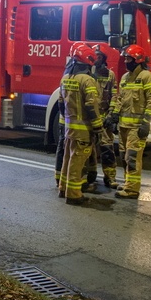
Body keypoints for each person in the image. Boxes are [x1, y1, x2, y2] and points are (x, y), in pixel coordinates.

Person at [108, 44, 151, 199]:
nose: (126, 61)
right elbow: (119, 99)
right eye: (125, 58)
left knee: (132, 157)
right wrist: (114, 115)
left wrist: (146, 122)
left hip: (136, 127)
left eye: (129, 58)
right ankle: (128, 183)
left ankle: (132, 190)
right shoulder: (125, 77)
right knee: (124, 157)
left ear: (138, 60)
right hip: (124, 126)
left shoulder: (146, 77)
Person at [58, 42, 105, 206]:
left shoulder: (65, 78)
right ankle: (73, 194)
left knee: (67, 159)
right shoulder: (87, 80)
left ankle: (63, 188)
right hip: (83, 130)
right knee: (77, 162)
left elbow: (60, 104)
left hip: (69, 128)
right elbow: (91, 106)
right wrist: (98, 127)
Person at [82, 45, 118, 191]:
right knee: (89, 150)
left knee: (107, 149)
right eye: (94, 55)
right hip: (91, 117)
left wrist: (111, 114)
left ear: (103, 58)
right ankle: (90, 175)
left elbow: (114, 95)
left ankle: (110, 178)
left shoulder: (109, 75)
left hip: (104, 118)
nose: (95, 58)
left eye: (97, 55)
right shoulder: (87, 73)